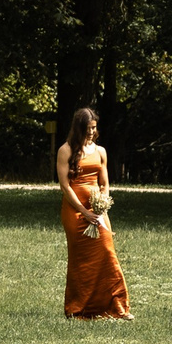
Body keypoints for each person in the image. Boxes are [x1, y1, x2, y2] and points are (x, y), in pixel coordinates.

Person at [56, 107, 131, 320]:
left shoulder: (100, 151)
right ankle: (77, 307)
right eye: (88, 128)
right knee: (81, 260)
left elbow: (104, 183)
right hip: (75, 211)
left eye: (94, 128)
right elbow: (65, 186)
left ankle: (117, 307)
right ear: (79, 128)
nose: (91, 132)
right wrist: (83, 211)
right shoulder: (66, 150)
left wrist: (101, 206)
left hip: (97, 211)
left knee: (107, 252)